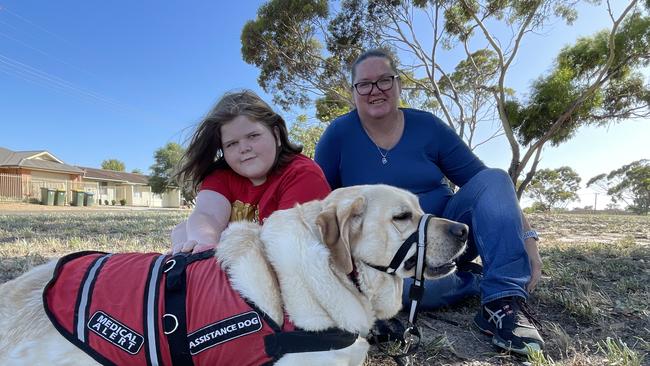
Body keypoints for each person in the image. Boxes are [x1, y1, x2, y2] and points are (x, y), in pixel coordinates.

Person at [314, 49, 544, 355]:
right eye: (365, 84)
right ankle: (470, 281)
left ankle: (502, 301)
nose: (375, 90)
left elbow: (491, 187)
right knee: (400, 290)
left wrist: (528, 239)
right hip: (391, 256)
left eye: (384, 80)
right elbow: (320, 202)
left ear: (399, 85)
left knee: (496, 175)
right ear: (353, 91)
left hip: (450, 234)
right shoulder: (338, 136)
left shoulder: (429, 127)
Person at [170, 90, 331, 254]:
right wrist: (204, 248)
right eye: (231, 144)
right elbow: (207, 215)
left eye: (253, 136)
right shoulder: (221, 176)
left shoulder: (303, 174)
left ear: (276, 135)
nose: (244, 148)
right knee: (183, 232)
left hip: (291, 263)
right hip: (242, 260)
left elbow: (290, 246)